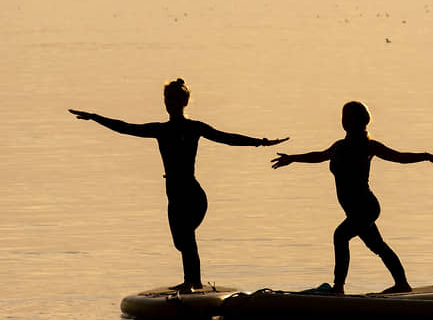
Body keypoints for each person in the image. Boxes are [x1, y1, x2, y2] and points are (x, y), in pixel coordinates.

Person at [69, 78, 288, 292]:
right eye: (167, 98)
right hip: (173, 194)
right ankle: (192, 281)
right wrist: (95, 117)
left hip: (192, 194)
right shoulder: (160, 130)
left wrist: (261, 142)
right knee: (180, 243)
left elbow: (226, 137)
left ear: (184, 102)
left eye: (174, 99)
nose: (170, 103)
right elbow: (126, 128)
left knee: (186, 235)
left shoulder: (195, 128)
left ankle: (193, 282)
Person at [271, 101, 433, 295]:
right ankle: (401, 284)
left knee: (340, 236)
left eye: (346, 117)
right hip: (355, 209)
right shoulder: (339, 146)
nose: (343, 120)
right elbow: (320, 156)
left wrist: (426, 156)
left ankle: (339, 287)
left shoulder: (368, 146)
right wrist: (293, 158)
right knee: (377, 245)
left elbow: (399, 157)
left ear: (354, 121)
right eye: (343, 117)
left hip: (366, 207)